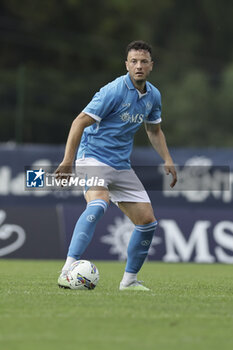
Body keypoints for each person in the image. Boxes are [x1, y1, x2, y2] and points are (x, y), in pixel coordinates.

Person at [56, 40, 177, 291]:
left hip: (121, 164)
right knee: (99, 202)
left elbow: (154, 130)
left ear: (151, 65)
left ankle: (129, 282)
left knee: (147, 222)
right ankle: (68, 267)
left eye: (144, 61)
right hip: (92, 157)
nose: (139, 66)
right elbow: (79, 122)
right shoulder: (112, 91)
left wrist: (167, 158)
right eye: (134, 61)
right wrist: (68, 161)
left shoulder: (153, 95)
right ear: (127, 65)